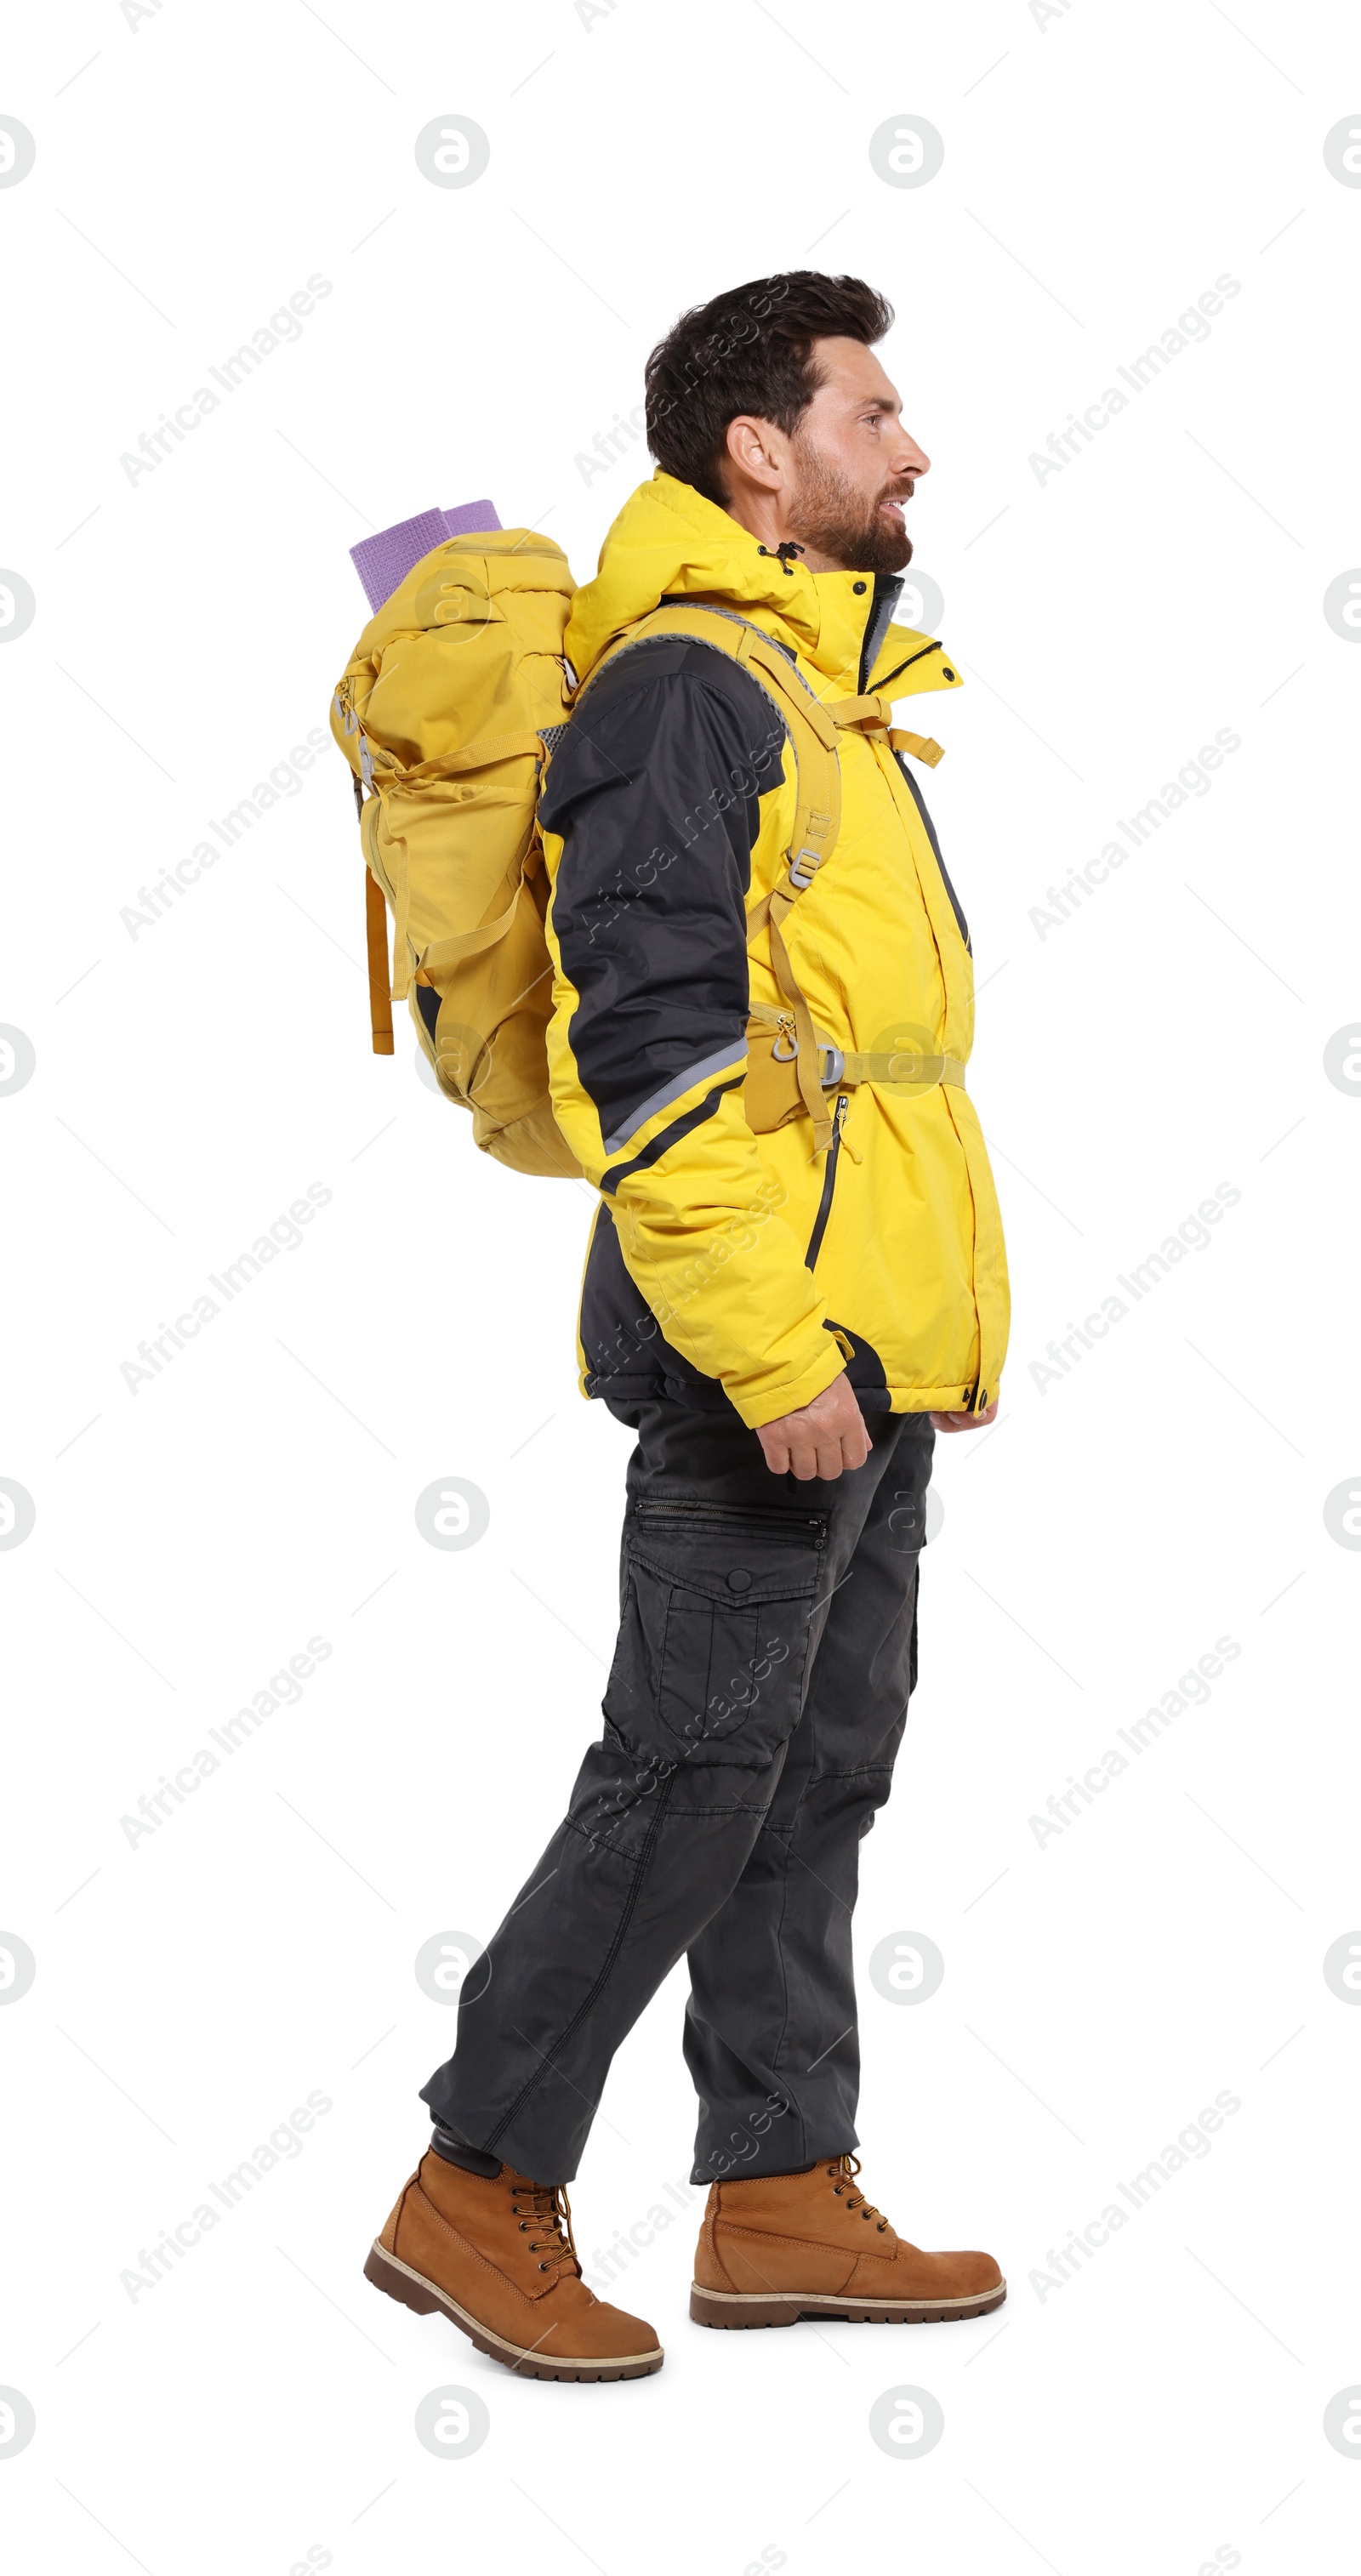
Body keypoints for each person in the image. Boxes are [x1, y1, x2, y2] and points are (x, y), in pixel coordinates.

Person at [365, 271, 1011, 2380]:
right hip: (769, 1344)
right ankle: (475, 2187)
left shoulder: (820, 690)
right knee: (683, 1773)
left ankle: (773, 2189)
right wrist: (770, 1351)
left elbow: (865, 1062)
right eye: (872, 410)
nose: (908, 448)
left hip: (860, 1341)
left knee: (812, 1770)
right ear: (760, 449)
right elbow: (651, 1061)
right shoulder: (683, 696)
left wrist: (914, 1339)